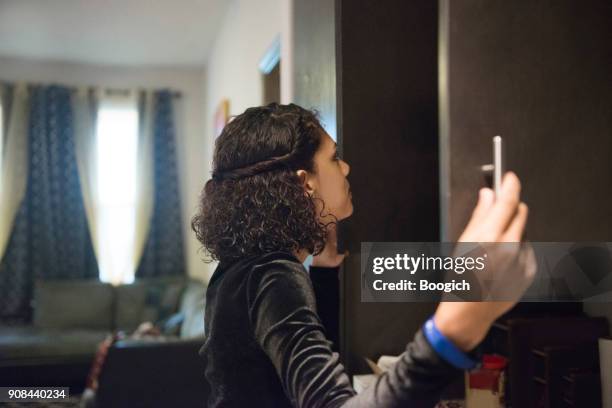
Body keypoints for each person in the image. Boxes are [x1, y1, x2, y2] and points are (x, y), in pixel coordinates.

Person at [192, 103, 531, 407]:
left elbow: (298, 377)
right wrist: (450, 332)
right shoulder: (274, 275)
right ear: (304, 183)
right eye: (334, 158)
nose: (347, 168)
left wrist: (324, 273)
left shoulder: (238, 270)